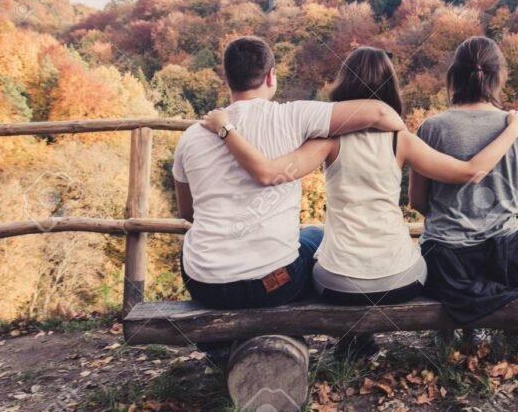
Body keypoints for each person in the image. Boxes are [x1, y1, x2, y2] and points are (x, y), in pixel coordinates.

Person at [199, 46, 518, 310]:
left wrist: (227, 130)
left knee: (312, 237)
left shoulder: (326, 141)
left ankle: (354, 342)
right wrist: (514, 130)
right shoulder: (400, 138)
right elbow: (471, 172)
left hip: (338, 285)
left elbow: (271, 173)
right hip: (401, 279)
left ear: (344, 83)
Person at [172, 36, 408, 313]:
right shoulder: (294, 116)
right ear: (271, 76)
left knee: (201, 253)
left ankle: (216, 343)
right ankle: (355, 337)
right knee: (318, 238)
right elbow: (381, 112)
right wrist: (400, 140)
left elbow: (188, 212)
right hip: (273, 285)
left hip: (204, 284)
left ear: (227, 79)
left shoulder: (191, 137)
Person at [409, 36, 518, 328]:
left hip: (446, 262)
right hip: (505, 258)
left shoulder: (431, 129)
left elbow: (418, 202)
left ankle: (449, 332)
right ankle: (481, 329)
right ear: (499, 77)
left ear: (454, 77)